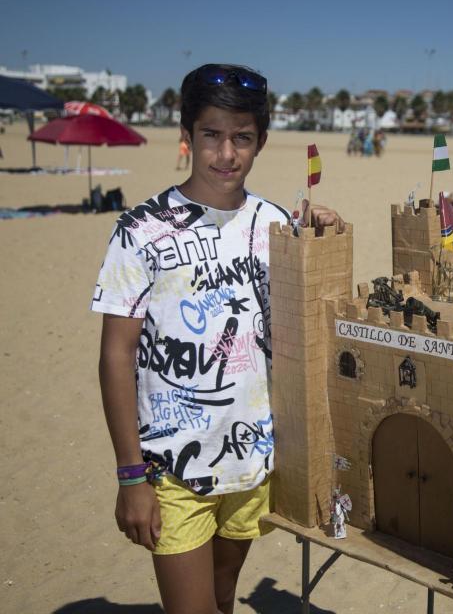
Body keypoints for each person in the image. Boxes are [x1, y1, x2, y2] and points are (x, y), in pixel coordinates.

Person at [92, 63, 343, 614]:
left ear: (260, 143)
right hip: (171, 467)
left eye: (242, 139)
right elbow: (117, 356)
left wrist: (316, 236)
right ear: (187, 135)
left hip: (251, 461)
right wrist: (130, 476)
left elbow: (303, 322)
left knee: (223, 597)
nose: (225, 154)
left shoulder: (276, 224)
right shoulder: (142, 230)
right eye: (211, 135)